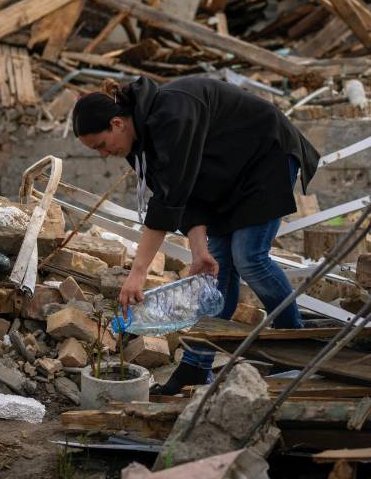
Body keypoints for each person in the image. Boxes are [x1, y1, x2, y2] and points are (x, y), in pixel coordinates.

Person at [71, 76, 320, 394]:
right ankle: (194, 368)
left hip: (264, 156)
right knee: (216, 275)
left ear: (117, 123)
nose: (104, 154)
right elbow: (180, 193)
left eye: (101, 145)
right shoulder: (139, 146)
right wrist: (200, 249)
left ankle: (294, 345)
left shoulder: (173, 113)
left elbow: (168, 202)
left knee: (249, 258)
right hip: (223, 178)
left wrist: (138, 272)